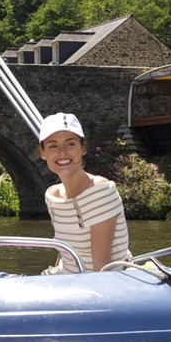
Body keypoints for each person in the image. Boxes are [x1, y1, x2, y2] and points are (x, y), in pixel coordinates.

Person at [37, 112, 129, 273]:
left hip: (94, 285)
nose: (62, 152)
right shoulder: (52, 196)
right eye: (53, 146)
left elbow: (102, 268)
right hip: (66, 279)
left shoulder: (100, 191)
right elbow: (64, 252)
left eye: (70, 144)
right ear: (43, 153)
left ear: (83, 148)